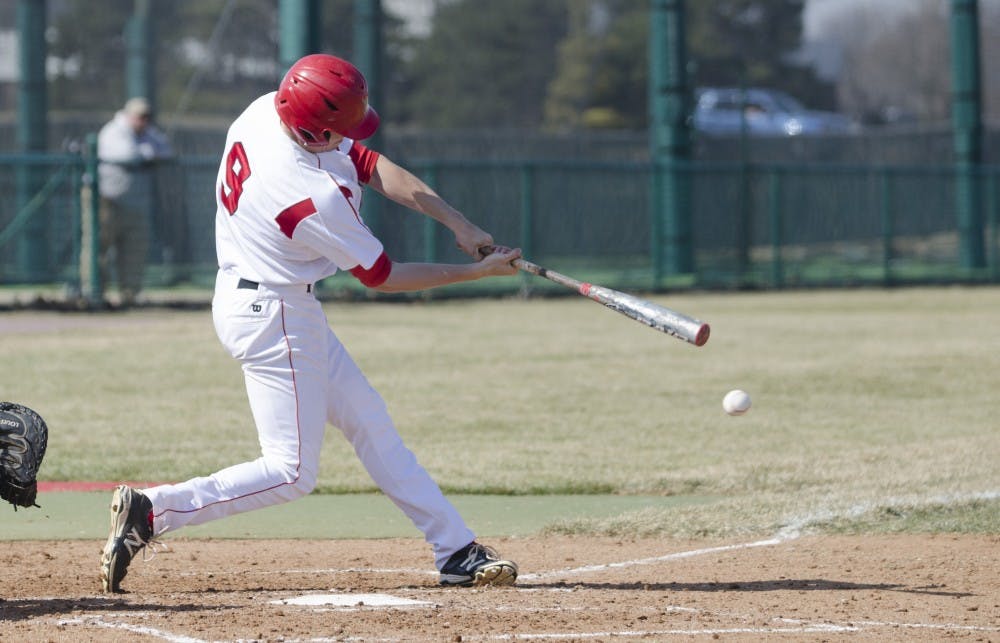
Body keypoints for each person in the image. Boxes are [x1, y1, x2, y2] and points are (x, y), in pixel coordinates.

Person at [99, 54, 522, 593]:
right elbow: (382, 276)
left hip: (269, 298)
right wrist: (475, 273)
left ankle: (455, 549)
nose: (347, 138)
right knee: (291, 473)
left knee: (369, 420)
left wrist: (458, 223)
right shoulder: (309, 197)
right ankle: (153, 511)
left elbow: (369, 162)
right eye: (338, 129)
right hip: (272, 312)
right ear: (310, 126)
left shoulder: (263, 112)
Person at [81, 97, 173, 307]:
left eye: (147, 117)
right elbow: (128, 155)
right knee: (98, 249)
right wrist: (150, 154)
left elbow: (166, 151)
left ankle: (130, 295)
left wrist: (150, 153)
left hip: (135, 204)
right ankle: (94, 294)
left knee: (134, 250)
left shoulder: (148, 133)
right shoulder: (113, 131)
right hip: (105, 200)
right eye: (140, 117)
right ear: (128, 115)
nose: (144, 121)